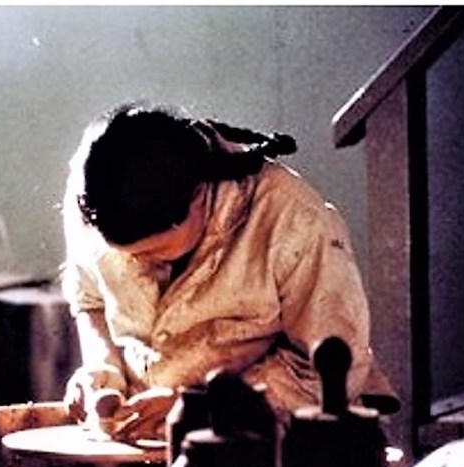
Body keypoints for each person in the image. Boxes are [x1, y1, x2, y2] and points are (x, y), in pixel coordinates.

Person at [59, 102, 397, 441]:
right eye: (127, 256)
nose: (140, 265)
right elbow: (90, 298)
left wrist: (202, 409)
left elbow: (331, 370)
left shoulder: (293, 219)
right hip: (151, 439)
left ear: (199, 196)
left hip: (281, 437)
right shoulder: (95, 193)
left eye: (154, 252)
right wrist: (103, 368)